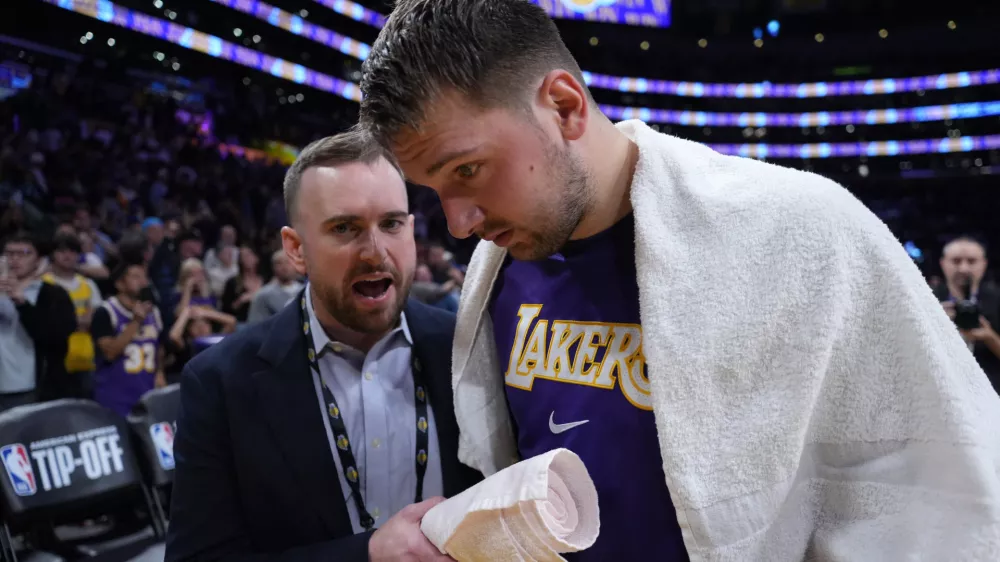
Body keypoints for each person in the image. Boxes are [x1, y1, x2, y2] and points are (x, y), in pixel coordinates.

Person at [358, 1, 1000, 559]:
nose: (459, 224)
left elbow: (946, 490)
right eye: (435, 191)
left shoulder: (804, 230)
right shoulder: (499, 268)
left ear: (563, 105)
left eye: (467, 171)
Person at [166, 130, 480, 562]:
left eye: (390, 224)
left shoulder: (467, 346)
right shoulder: (220, 382)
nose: (374, 252)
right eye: (345, 228)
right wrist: (365, 555)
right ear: (296, 249)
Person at [0, 232, 76, 410]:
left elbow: (55, 338)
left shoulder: (54, 295)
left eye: (24, 253)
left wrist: (22, 303)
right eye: (9, 254)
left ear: (40, 260)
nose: (15, 259)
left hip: (30, 389)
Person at [90, 261, 166, 416]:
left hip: (147, 395)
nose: (143, 282)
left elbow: (158, 347)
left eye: (144, 277)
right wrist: (136, 322)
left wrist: (159, 372)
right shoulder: (105, 312)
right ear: (120, 284)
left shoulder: (154, 312)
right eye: (136, 277)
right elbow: (110, 353)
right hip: (115, 400)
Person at [41, 232, 103, 398]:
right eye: (61, 251)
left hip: (85, 357)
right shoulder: (43, 284)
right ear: (52, 255)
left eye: (72, 251)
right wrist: (78, 321)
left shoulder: (88, 284)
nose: (67, 255)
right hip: (54, 360)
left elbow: (95, 321)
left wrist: (69, 322)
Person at [935, 237, 1000, 392]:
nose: (963, 269)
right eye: (956, 261)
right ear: (943, 263)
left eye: (971, 261)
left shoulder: (997, 300)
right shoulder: (926, 300)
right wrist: (934, 323)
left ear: (984, 264)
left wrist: (990, 337)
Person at [245, 250, 302, 324]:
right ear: (273, 267)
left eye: (288, 262)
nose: (284, 267)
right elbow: (255, 324)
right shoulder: (263, 295)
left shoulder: (305, 291)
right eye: (279, 263)